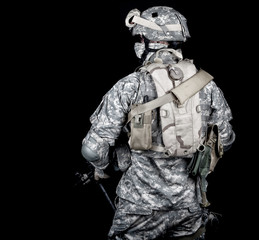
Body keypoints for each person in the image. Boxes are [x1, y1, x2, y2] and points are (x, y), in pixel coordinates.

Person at [81, 6, 235, 240]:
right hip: (189, 208)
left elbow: (92, 150)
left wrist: (107, 167)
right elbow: (225, 139)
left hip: (139, 210)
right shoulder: (207, 85)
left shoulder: (130, 86)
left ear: (146, 41)